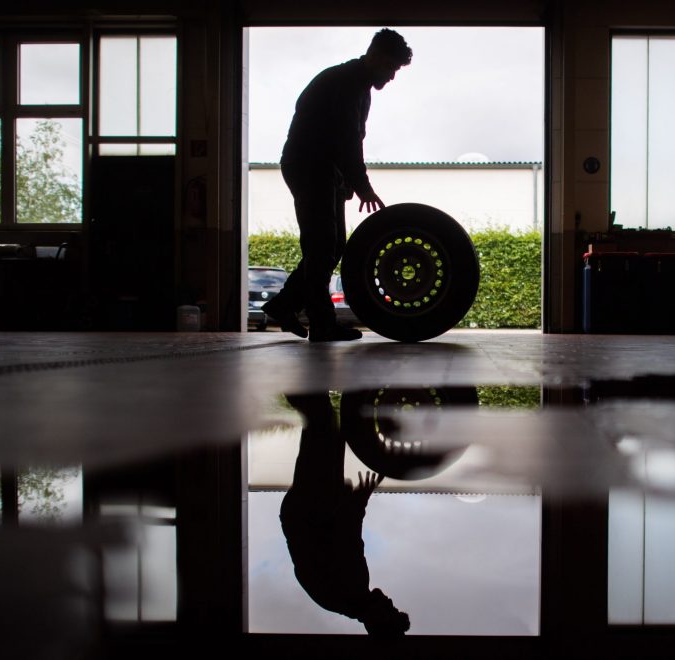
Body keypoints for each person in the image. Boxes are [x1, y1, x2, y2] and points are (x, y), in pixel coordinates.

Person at [262, 29, 412, 342]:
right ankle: (322, 324)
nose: (392, 76)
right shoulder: (346, 83)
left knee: (333, 245)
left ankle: (284, 305)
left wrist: (346, 183)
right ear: (375, 55)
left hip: (321, 169)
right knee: (320, 247)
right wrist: (363, 186)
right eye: (391, 67)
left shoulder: (357, 85)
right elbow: (346, 140)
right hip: (310, 167)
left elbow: (346, 141)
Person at [280, 392, 410, 636]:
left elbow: (345, 535)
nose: (391, 601)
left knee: (322, 426)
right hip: (307, 511)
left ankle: (296, 372)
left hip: (311, 510)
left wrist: (359, 500)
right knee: (324, 430)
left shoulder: (351, 589)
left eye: (391, 609)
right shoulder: (342, 600)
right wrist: (350, 500)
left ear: (379, 618)